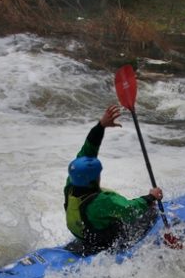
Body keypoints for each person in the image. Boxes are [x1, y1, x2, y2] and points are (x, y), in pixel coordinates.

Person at [64, 104, 163, 255]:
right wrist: (151, 197)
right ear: (95, 178)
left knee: (99, 220)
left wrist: (101, 126)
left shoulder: (70, 184)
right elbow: (130, 209)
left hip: (84, 237)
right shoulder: (103, 201)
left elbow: (87, 151)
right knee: (150, 212)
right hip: (104, 243)